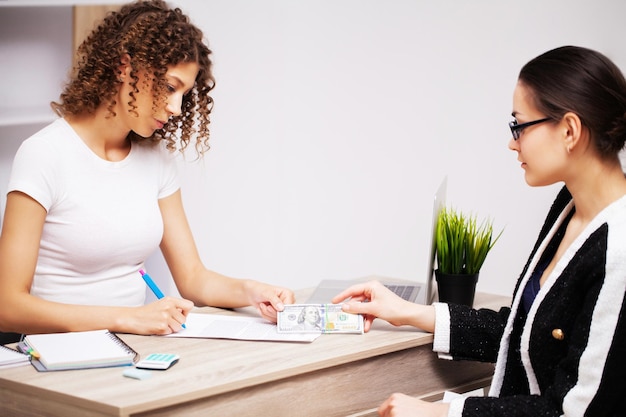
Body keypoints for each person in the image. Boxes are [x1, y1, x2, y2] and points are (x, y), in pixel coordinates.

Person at [332, 45, 626, 417]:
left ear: (569, 129)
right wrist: (407, 312)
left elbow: (572, 411)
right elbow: (521, 331)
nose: (511, 141)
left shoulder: (618, 251)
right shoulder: (568, 206)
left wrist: (439, 413)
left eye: (518, 125)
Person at [0, 0, 294, 341]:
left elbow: (194, 278)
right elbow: (7, 307)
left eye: (184, 94)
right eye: (170, 87)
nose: (176, 108)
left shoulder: (156, 160)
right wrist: (127, 318)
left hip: (132, 346)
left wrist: (254, 291)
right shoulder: (44, 154)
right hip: (58, 357)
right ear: (125, 67)